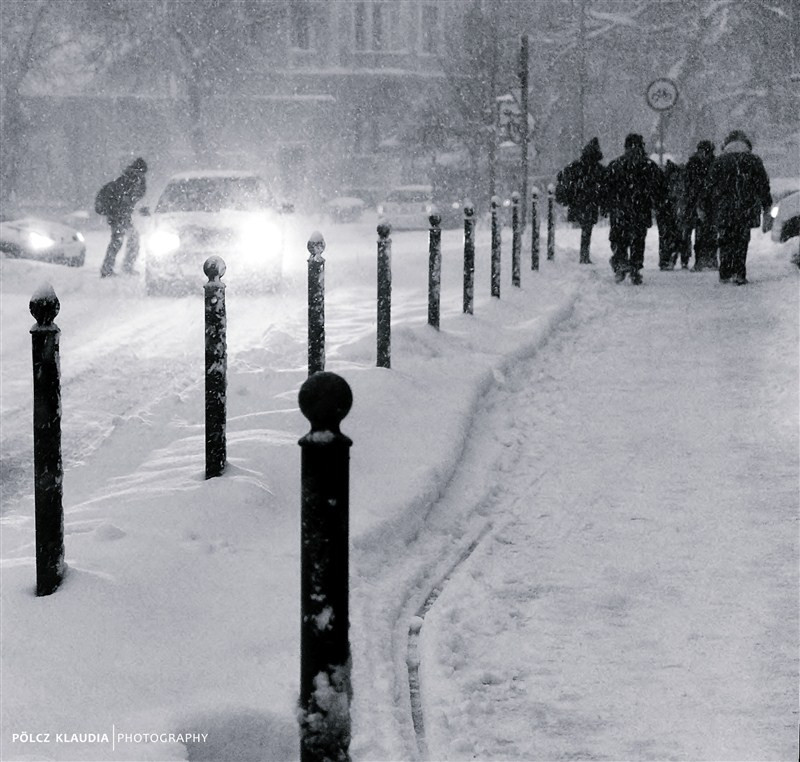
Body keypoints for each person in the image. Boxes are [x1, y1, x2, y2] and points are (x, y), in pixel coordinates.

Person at [700, 130, 771, 285]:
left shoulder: (720, 161)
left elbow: (709, 187)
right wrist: (766, 207)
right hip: (746, 208)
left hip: (724, 209)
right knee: (741, 240)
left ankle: (725, 272)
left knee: (725, 239)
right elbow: (763, 186)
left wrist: (704, 207)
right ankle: (739, 272)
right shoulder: (754, 161)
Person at [604, 133, 667, 284]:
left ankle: (620, 263)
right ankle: (635, 267)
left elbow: (606, 188)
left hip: (620, 209)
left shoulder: (616, 165)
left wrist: (607, 205)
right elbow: (660, 188)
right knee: (638, 240)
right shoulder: (649, 166)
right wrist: (658, 204)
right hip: (641, 209)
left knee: (619, 239)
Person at [555, 137, 607, 264]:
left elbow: (562, 176)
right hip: (591, 201)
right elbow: (605, 186)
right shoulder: (597, 169)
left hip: (579, 201)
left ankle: (584, 255)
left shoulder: (576, 166)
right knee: (587, 228)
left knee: (586, 228)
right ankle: (584, 255)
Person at [96, 157, 148, 277]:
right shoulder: (128, 182)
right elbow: (126, 201)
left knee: (123, 240)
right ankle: (112, 268)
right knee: (121, 241)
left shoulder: (130, 180)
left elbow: (130, 201)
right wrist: (124, 210)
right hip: (118, 216)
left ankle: (111, 268)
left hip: (121, 216)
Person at [684, 140, 718, 270]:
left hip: (704, 201)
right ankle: (704, 260)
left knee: (707, 232)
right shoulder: (712, 164)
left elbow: (688, 183)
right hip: (702, 201)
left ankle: (707, 259)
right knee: (703, 232)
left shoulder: (693, 164)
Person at [658, 159, 691, 270]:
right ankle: (682, 259)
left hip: (668, 210)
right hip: (677, 210)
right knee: (682, 236)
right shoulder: (682, 180)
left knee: (668, 237)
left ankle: (666, 260)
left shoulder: (666, 180)